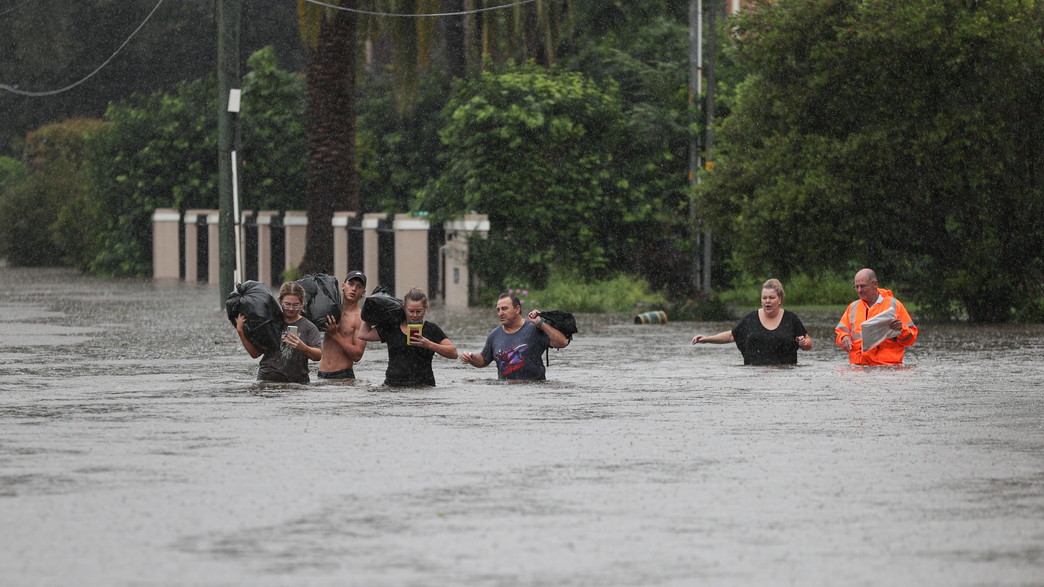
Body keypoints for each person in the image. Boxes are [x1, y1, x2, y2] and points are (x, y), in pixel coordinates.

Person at [691, 278, 812, 365]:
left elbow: (808, 343)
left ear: (779, 299)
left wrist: (803, 343)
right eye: (764, 298)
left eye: (771, 298)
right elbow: (731, 336)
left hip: (786, 377)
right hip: (755, 378)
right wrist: (707, 339)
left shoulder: (791, 319)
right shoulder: (751, 319)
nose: (767, 301)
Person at [358, 287, 457, 386]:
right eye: (411, 311)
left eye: (419, 311)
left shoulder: (431, 329)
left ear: (425, 309)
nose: (414, 315)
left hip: (424, 387)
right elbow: (363, 334)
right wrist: (370, 310)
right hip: (393, 386)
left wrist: (429, 344)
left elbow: (453, 353)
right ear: (404, 308)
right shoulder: (392, 326)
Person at [460, 292, 570, 380]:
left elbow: (562, 342)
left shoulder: (534, 329)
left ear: (517, 309)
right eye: (498, 310)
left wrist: (540, 323)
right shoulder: (494, 335)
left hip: (535, 391)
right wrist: (471, 358)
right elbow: (484, 360)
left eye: (504, 308)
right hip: (506, 394)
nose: (500, 313)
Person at [235, 281, 323, 384]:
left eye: (295, 305)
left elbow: (318, 356)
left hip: (297, 383)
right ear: (280, 301)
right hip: (267, 379)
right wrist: (240, 331)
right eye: (287, 304)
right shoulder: (269, 322)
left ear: (302, 303)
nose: (291, 308)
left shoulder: (309, 327)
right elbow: (255, 354)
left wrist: (303, 347)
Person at [835, 268, 918, 365]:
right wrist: (844, 338)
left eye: (863, 286)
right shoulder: (853, 307)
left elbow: (911, 339)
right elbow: (840, 332)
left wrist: (901, 329)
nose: (859, 290)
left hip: (887, 368)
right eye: (856, 287)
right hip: (859, 368)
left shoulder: (894, 305)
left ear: (875, 284)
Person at [317, 270, 368, 380]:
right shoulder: (329, 310)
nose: (354, 289)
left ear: (363, 292)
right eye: (351, 284)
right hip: (321, 374)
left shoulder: (361, 318)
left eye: (359, 286)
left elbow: (357, 355)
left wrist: (335, 335)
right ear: (343, 286)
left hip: (343, 376)